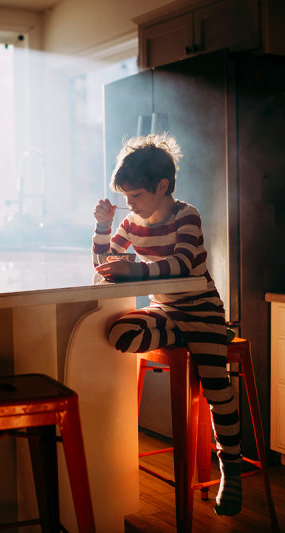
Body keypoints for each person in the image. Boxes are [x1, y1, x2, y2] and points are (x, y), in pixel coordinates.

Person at [92, 133, 242, 516]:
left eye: (136, 196)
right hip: (168, 312)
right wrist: (104, 228)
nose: (131, 204)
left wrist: (134, 270)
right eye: (126, 198)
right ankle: (182, 335)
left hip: (203, 310)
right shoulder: (132, 222)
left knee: (216, 386)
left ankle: (232, 467)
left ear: (162, 186)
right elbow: (103, 266)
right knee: (120, 332)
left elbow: (180, 264)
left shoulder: (186, 215)